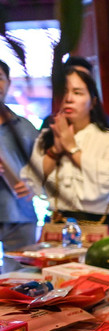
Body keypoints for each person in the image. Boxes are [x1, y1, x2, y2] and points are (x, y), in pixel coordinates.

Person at [23, 67, 109, 233]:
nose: (69, 99)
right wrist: (55, 150)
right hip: (57, 225)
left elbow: (107, 183)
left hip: (99, 225)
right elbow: (31, 184)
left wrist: (71, 148)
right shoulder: (46, 137)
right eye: (64, 92)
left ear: (92, 101)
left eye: (77, 93)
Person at [0, 59, 39, 271]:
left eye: (0, 78)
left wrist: (34, 185)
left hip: (20, 215)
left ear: (8, 82)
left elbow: (45, 168)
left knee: (20, 281)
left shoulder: (24, 127)